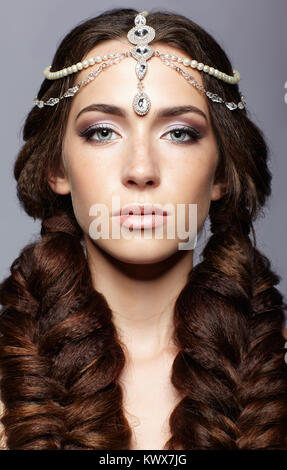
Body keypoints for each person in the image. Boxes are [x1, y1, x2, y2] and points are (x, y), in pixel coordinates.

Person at [0, 7, 286, 451]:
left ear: (222, 174)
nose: (140, 169)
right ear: (56, 168)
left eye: (178, 133)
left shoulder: (276, 367)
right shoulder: (7, 374)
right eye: (101, 132)